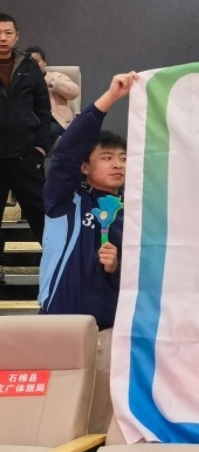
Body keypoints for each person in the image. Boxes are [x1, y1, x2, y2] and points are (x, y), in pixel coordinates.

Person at [38, 72, 136, 331]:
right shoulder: (65, 201)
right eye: (107, 158)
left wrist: (116, 266)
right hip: (60, 321)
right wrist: (110, 97)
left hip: (110, 326)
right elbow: (67, 152)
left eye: (124, 158)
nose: (118, 164)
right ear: (84, 167)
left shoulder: (135, 213)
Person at [0, 14, 52, 284]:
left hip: (26, 155)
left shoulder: (29, 66)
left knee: (42, 214)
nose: (2, 38)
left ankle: (55, 267)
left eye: (8, 33)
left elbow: (43, 110)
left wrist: (41, 146)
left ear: (17, 36)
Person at [24, 45, 80, 140]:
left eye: (36, 62)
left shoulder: (56, 77)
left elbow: (74, 93)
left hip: (56, 122)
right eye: (29, 62)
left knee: (38, 132)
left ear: (44, 62)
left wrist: (52, 83)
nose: (33, 65)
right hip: (30, 122)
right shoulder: (22, 81)